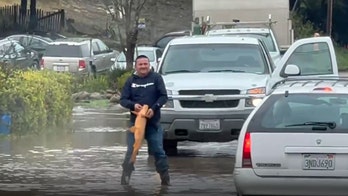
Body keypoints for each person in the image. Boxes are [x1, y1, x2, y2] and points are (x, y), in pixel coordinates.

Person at [119, 54, 170, 186]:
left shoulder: (156, 78)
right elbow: (123, 100)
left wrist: (153, 108)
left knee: (159, 151)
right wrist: (133, 105)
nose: (143, 67)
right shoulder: (131, 81)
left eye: (145, 64)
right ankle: (125, 178)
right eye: (140, 64)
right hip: (135, 124)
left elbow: (164, 97)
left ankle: (165, 180)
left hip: (153, 124)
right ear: (136, 66)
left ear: (149, 65)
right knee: (131, 151)